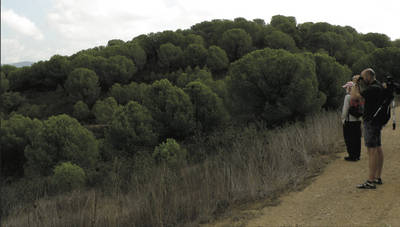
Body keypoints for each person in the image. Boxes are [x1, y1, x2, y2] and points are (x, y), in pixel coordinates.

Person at [353, 68, 385, 189]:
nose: (362, 79)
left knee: (371, 151)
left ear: (368, 77)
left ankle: (370, 181)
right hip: (377, 121)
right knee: (378, 148)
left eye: (363, 77)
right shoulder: (379, 86)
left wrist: (355, 83)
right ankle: (377, 177)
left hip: (370, 121)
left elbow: (355, 97)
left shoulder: (372, 88)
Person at [341, 80, 362, 161]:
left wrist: (343, 119)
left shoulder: (348, 97)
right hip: (358, 121)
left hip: (349, 121)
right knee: (357, 139)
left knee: (349, 139)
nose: (345, 89)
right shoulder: (359, 96)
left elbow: (345, 110)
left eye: (346, 87)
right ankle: (357, 155)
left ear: (349, 88)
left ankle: (352, 156)